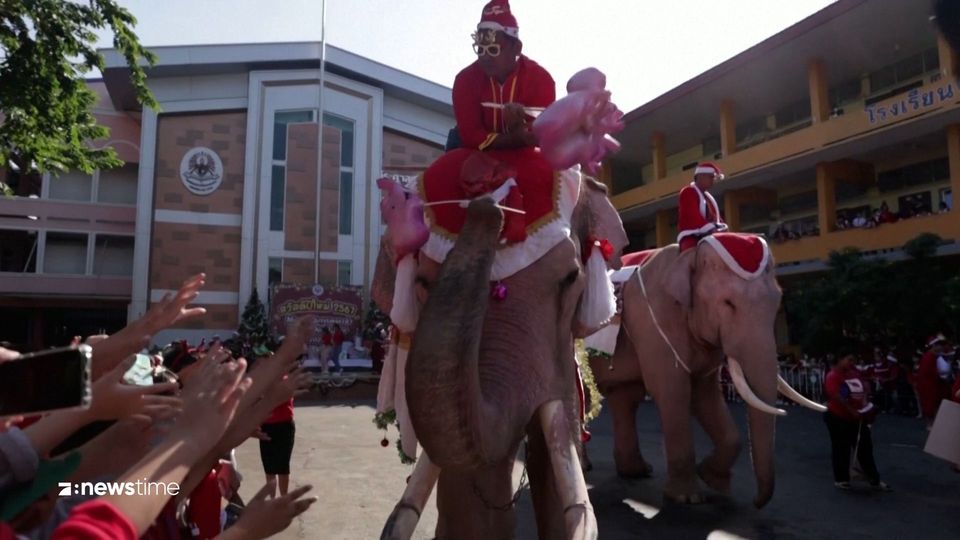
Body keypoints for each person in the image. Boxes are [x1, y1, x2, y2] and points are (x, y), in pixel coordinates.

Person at [420, 0, 556, 246]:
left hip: (524, 154)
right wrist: (515, 136)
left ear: (516, 47)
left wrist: (520, 133)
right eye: (480, 49)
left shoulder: (541, 79)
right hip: (474, 153)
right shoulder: (465, 80)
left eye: (493, 49)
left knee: (558, 179)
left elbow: (543, 133)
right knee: (439, 182)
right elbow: (471, 135)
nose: (485, 57)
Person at [823, 350, 891, 491]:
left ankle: (873, 478)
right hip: (839, 416)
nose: (852, 363)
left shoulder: (853, 373)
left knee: (865, 446)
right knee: (841, 447)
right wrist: (852, 411)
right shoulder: (833, 376)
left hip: (857, 416)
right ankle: (842, 479)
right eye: (849, 360)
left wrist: (865, 405)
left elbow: (864, 388)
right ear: (840, 359)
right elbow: (837, 396)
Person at [676, 162, 728, 252]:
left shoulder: (707, 197)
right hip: (692, 236)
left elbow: (715, 217)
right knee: (691, 256)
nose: (713, 181)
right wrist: (712, 229)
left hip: (708, 234)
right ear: (701, 176)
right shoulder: (687, 192)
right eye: (711, 177)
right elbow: (693, 216)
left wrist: (722, 227)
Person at [258, 395, 296, 498]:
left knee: (283, 466)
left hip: (285, 424)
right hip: (266, 424)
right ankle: (272, 502)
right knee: (269, 467)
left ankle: (283, 500)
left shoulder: (286, 379)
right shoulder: (262, 381)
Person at [917, 334, 951, 429]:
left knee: (935, 403)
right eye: (939, 345)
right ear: (934, 346)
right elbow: (928, 372)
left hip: (934, 383)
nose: (941, 347)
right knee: (930, 404)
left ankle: (934, 422)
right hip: (928, 384)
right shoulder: (929, 356)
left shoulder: (934, 356)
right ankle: (930, 423)